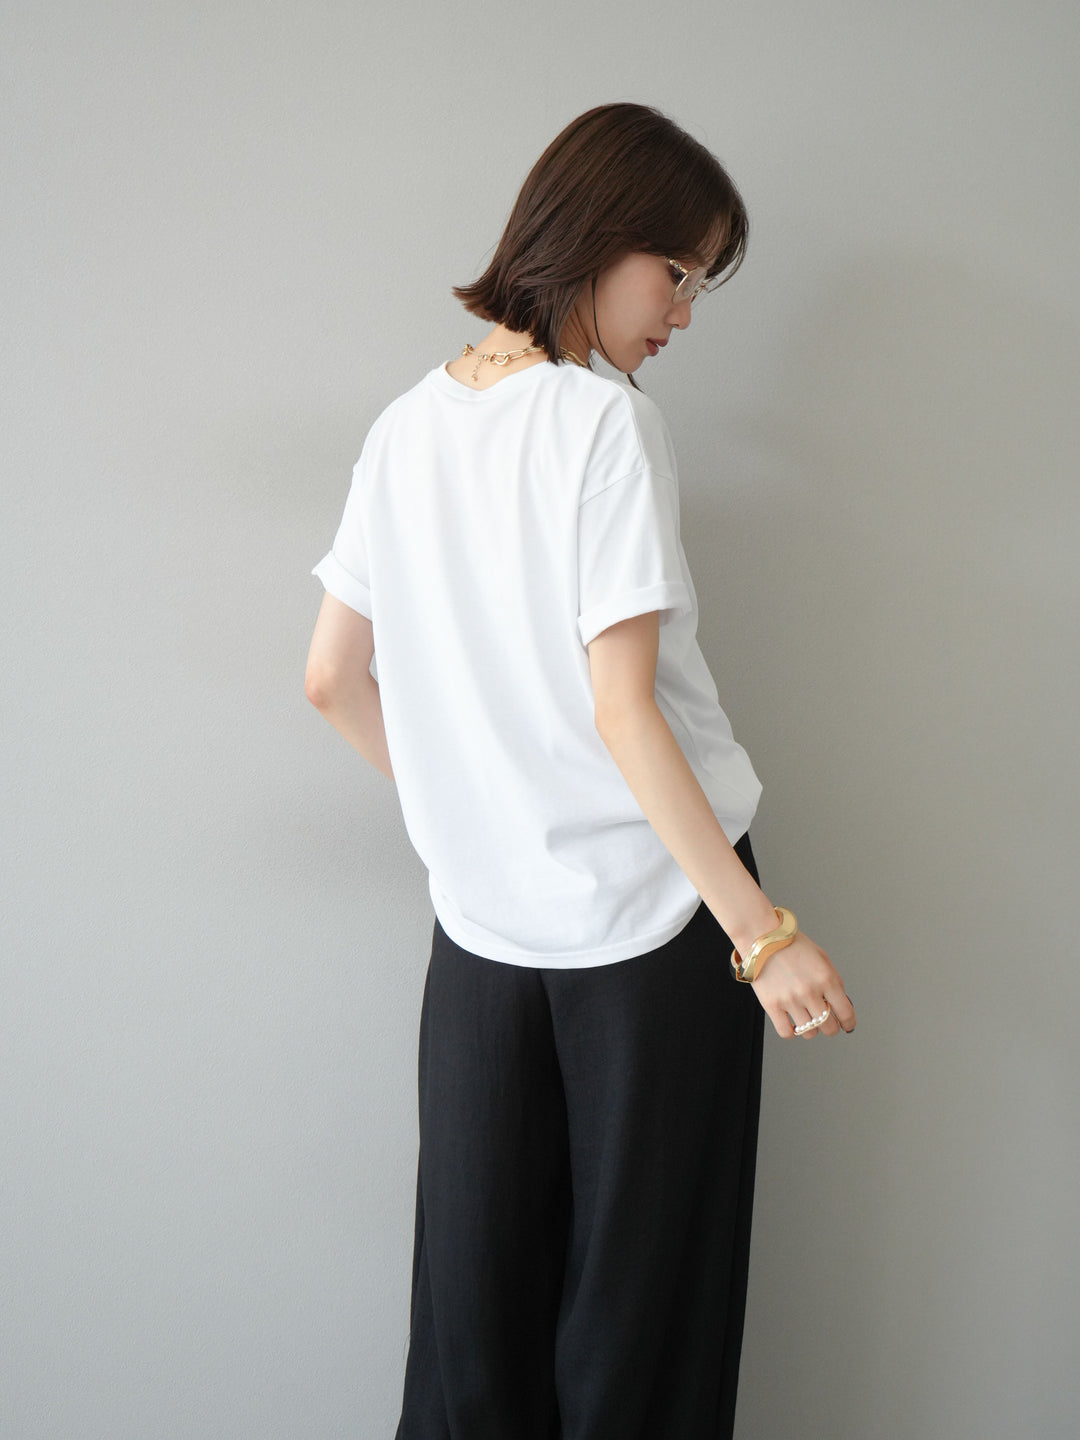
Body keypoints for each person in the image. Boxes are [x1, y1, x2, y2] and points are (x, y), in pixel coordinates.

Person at [305, 102, 855, 1440]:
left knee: (471, 1327)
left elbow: (329, 678)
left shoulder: (404, 426)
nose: (683, 315)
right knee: (640, 1334)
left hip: (481, 933)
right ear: (606, 237)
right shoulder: (603, 423)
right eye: (678, 272)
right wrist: (762, 933)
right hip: (666, 922)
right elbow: (624, 709)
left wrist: (478, 815)